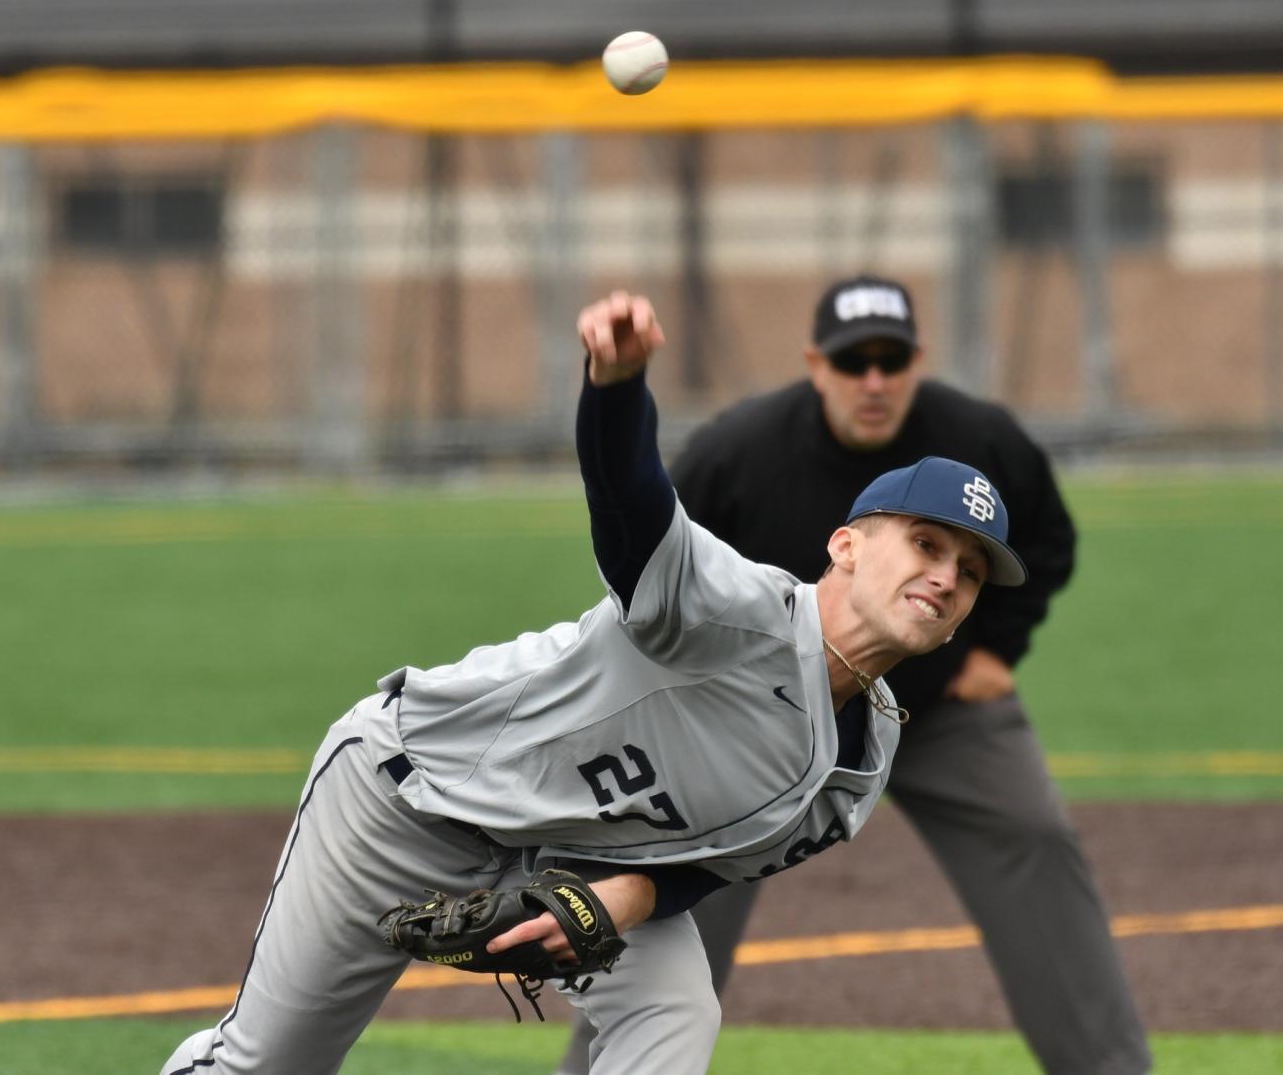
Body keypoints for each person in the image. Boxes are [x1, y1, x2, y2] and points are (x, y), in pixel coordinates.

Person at [161, 289, 1029, 1075]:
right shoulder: (734, 610)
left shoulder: (862, 759)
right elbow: (633, 509)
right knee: (266, 1067)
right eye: (926, 543)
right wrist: (616, 390)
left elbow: (716, 864)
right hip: (406, 795)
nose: (947, 576)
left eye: (969, 571)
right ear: (847, 545)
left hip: (557, 857)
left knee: (675, 1004)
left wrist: (629, 895)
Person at [556, 275, 1153, 1075]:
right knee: (679, 878)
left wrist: (993, 652)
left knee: (1036, 836)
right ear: (815, 363)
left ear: (916, 361)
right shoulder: (741, 451)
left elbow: (1046, 544)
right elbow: (655, 568)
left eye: (891, 359)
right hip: (752, 719)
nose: (874, 379)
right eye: (853, 360)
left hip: (934, 707)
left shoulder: (983, 443)